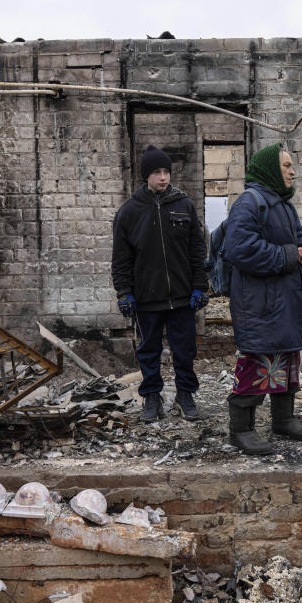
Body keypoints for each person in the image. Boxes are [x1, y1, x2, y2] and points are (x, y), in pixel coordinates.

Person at [222, 143, 302, 454]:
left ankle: (283, 419)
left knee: (287, 361)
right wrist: (291, 254)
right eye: (287, 166)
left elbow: (300, 240)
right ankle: (241, 430)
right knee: (258, 364)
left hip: (285, 303)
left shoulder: (283, 204)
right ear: (269, 169)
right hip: (260, 306)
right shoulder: (249, 203)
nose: (293, 171)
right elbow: (239, 249)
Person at [111, 145, 209, 422]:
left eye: (166, 171)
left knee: (185, 349)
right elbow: (121, 258)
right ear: (146, 176)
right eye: (156, 172)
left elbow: (197, 250)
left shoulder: (184, 205)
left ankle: (185, 395)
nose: (163, 177)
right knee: (148, 351)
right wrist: (124, 292)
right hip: (146, 297)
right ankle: (152, 397)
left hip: (181, 296)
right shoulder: (129, 212)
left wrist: (200, 285)